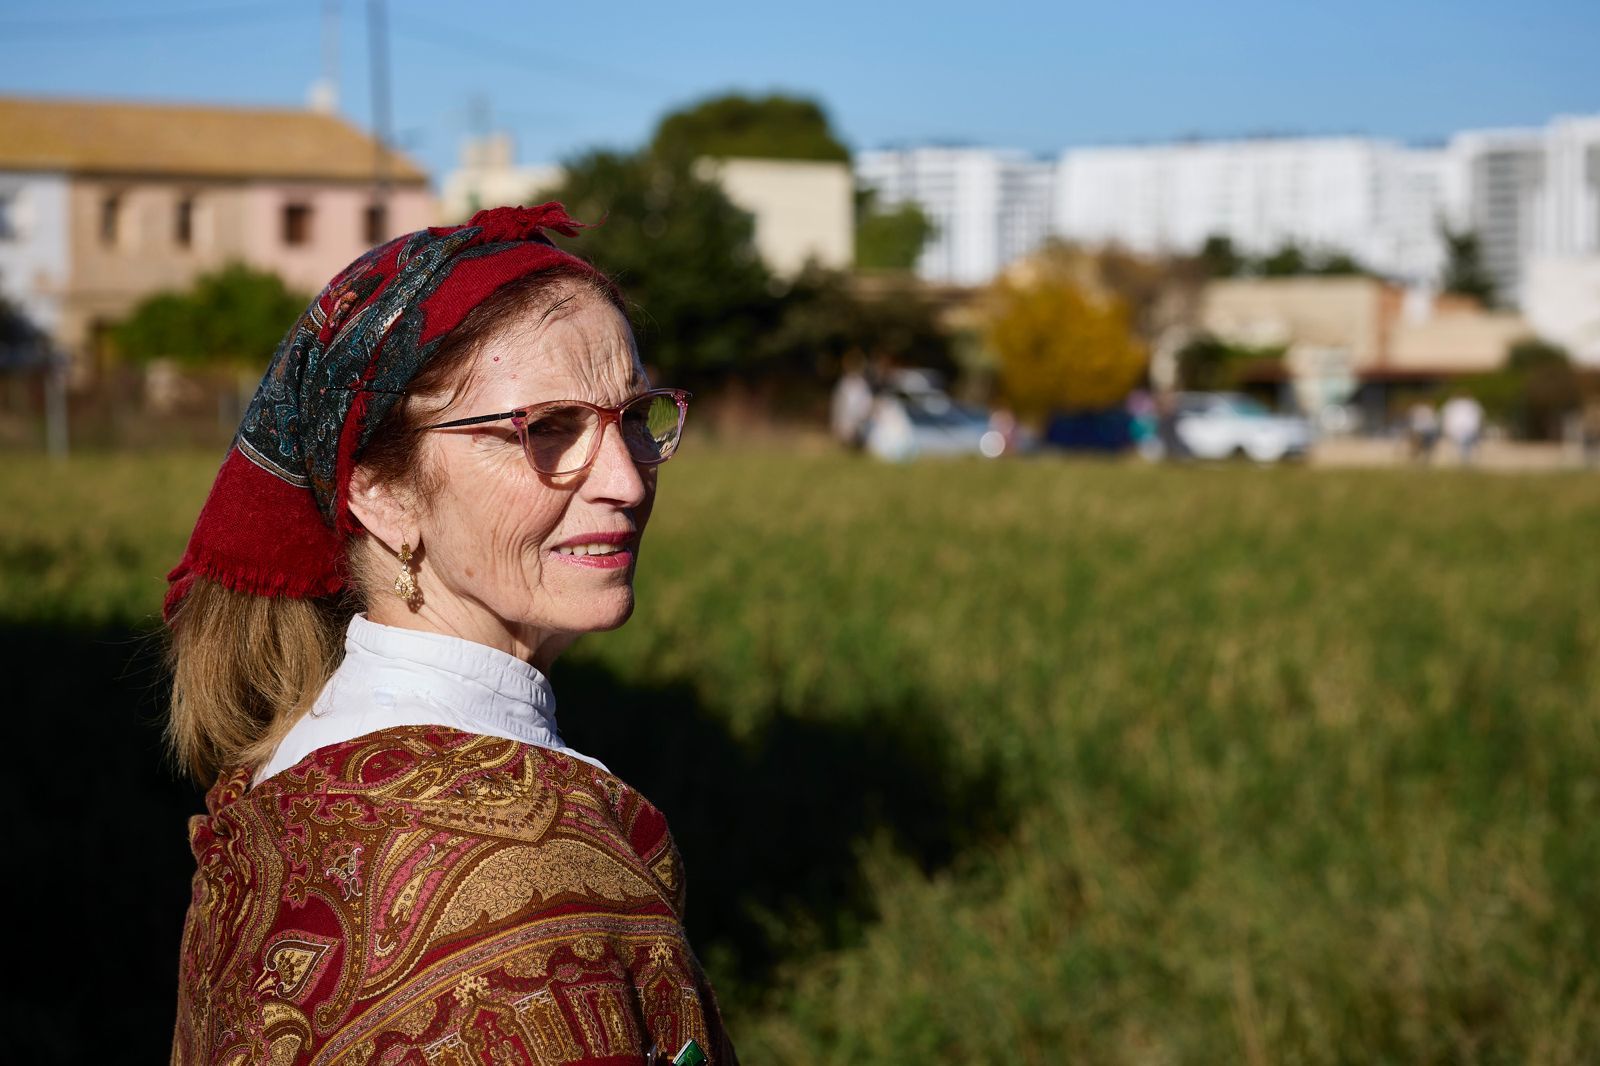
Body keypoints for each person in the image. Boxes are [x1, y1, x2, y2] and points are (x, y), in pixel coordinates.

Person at [165, 204, 736, 1065]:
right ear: (381, 495)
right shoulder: (531, 875)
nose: (624, 479)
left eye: (633, 418)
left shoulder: (296, 779)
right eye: (547, 430)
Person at [1440, 393, 1485, 465]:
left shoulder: (1471, 404)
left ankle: (1464, 460)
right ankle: (1464, 460)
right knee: (1464, 445)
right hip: (1461, 428)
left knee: (1464, 445)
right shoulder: (1471, 404)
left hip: (1465, 428)